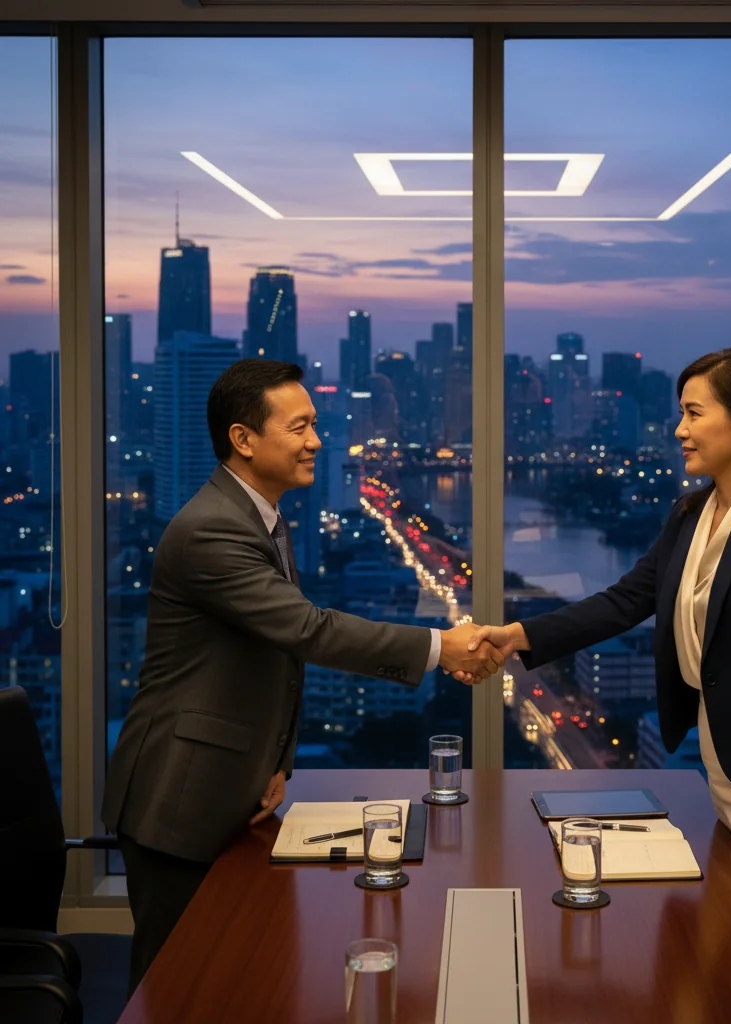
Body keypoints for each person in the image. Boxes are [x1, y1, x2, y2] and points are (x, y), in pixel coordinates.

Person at [102, 359, 503, 995]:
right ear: (244, 439)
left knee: (242, 974)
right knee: (178, 985)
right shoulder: (211, 530)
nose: (317, 441)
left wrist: (275, 760)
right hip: (178, 796)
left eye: (315, 424)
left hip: (227, 786)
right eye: (300, 427)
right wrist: (441, 647)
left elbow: (268, 658)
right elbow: (308, 631)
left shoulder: (261, 517)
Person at [469, 348, 731, 992]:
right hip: (724, 767)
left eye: (694, 414)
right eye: (680, 414)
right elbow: (626, 600)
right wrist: (518, 635)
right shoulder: (693, 514)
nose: (679, 429)